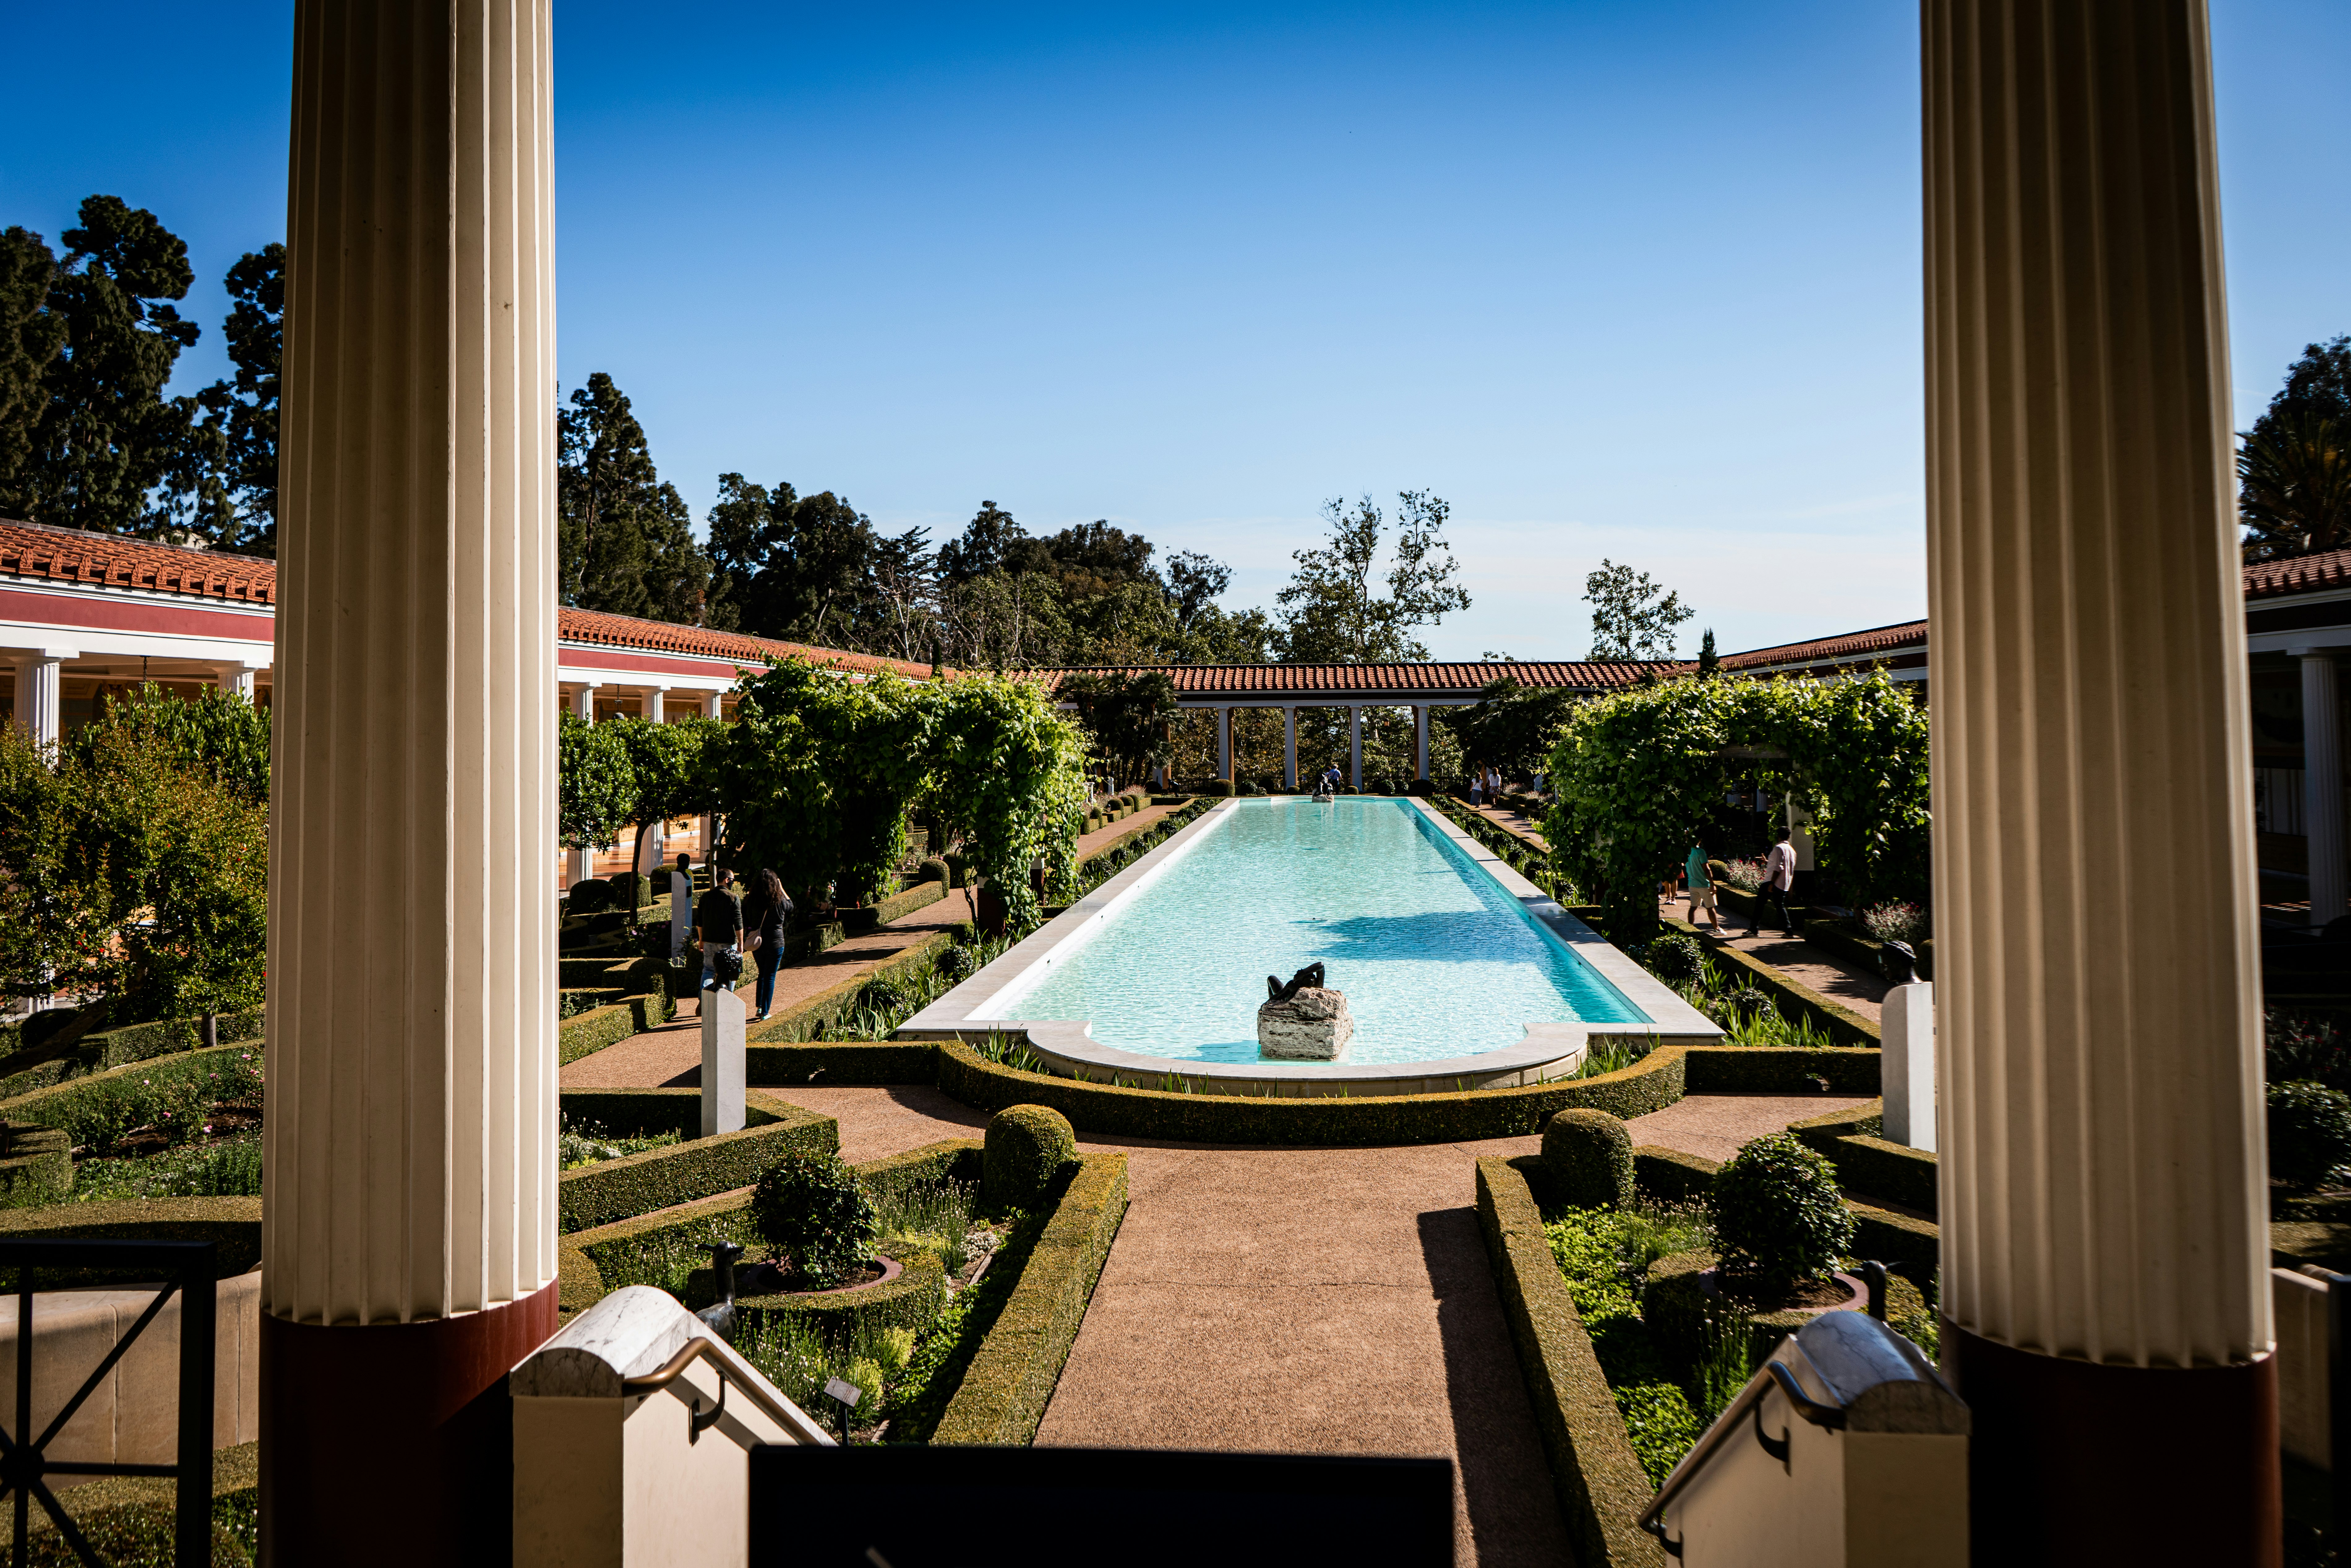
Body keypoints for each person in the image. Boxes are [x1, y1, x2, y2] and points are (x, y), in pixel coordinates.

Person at [741, 868, 792, 1020]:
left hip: (758, 941)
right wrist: (781, 888)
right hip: (776, 942)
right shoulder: (780, 900)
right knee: (770, 976)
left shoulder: (751, 901)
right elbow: (791, 907)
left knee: (762, 973)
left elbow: (746, 918)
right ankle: (765, 1013)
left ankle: (760, 1007)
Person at [694, 868, 744, 993]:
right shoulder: (733, 898)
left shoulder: (706, 897)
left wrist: (701, 940)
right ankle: (727, 997)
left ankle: (704, 999)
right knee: (731, 970)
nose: (733, 883)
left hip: (709, 940)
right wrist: (741, 943)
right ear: (727, 880)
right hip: (727, 942)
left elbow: (700, 922)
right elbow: (738, 923)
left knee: (709, 970)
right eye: (732, 880)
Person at [1760, 827, 1798, 936]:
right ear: (1789, 837)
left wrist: (1772, 884)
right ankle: (1789, 930)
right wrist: (1767, 862)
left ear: (1778, 836)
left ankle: (1753, 929)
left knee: (1760, 903)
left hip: (1775, 882)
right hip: (1785, 883)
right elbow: (1784, 865)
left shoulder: (1778, 848)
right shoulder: (1792, 850)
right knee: (1779, 906)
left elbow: (1778, 868)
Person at [1685, 840, 1723, 934]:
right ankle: (1717, 929)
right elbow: (1707, 869)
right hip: (1704, 885)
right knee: (1710, 907)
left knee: (1693, 908)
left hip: (1692, 884)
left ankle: (1690, 928)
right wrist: (1712, 884)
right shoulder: (1700, 852)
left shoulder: (1686, 852)